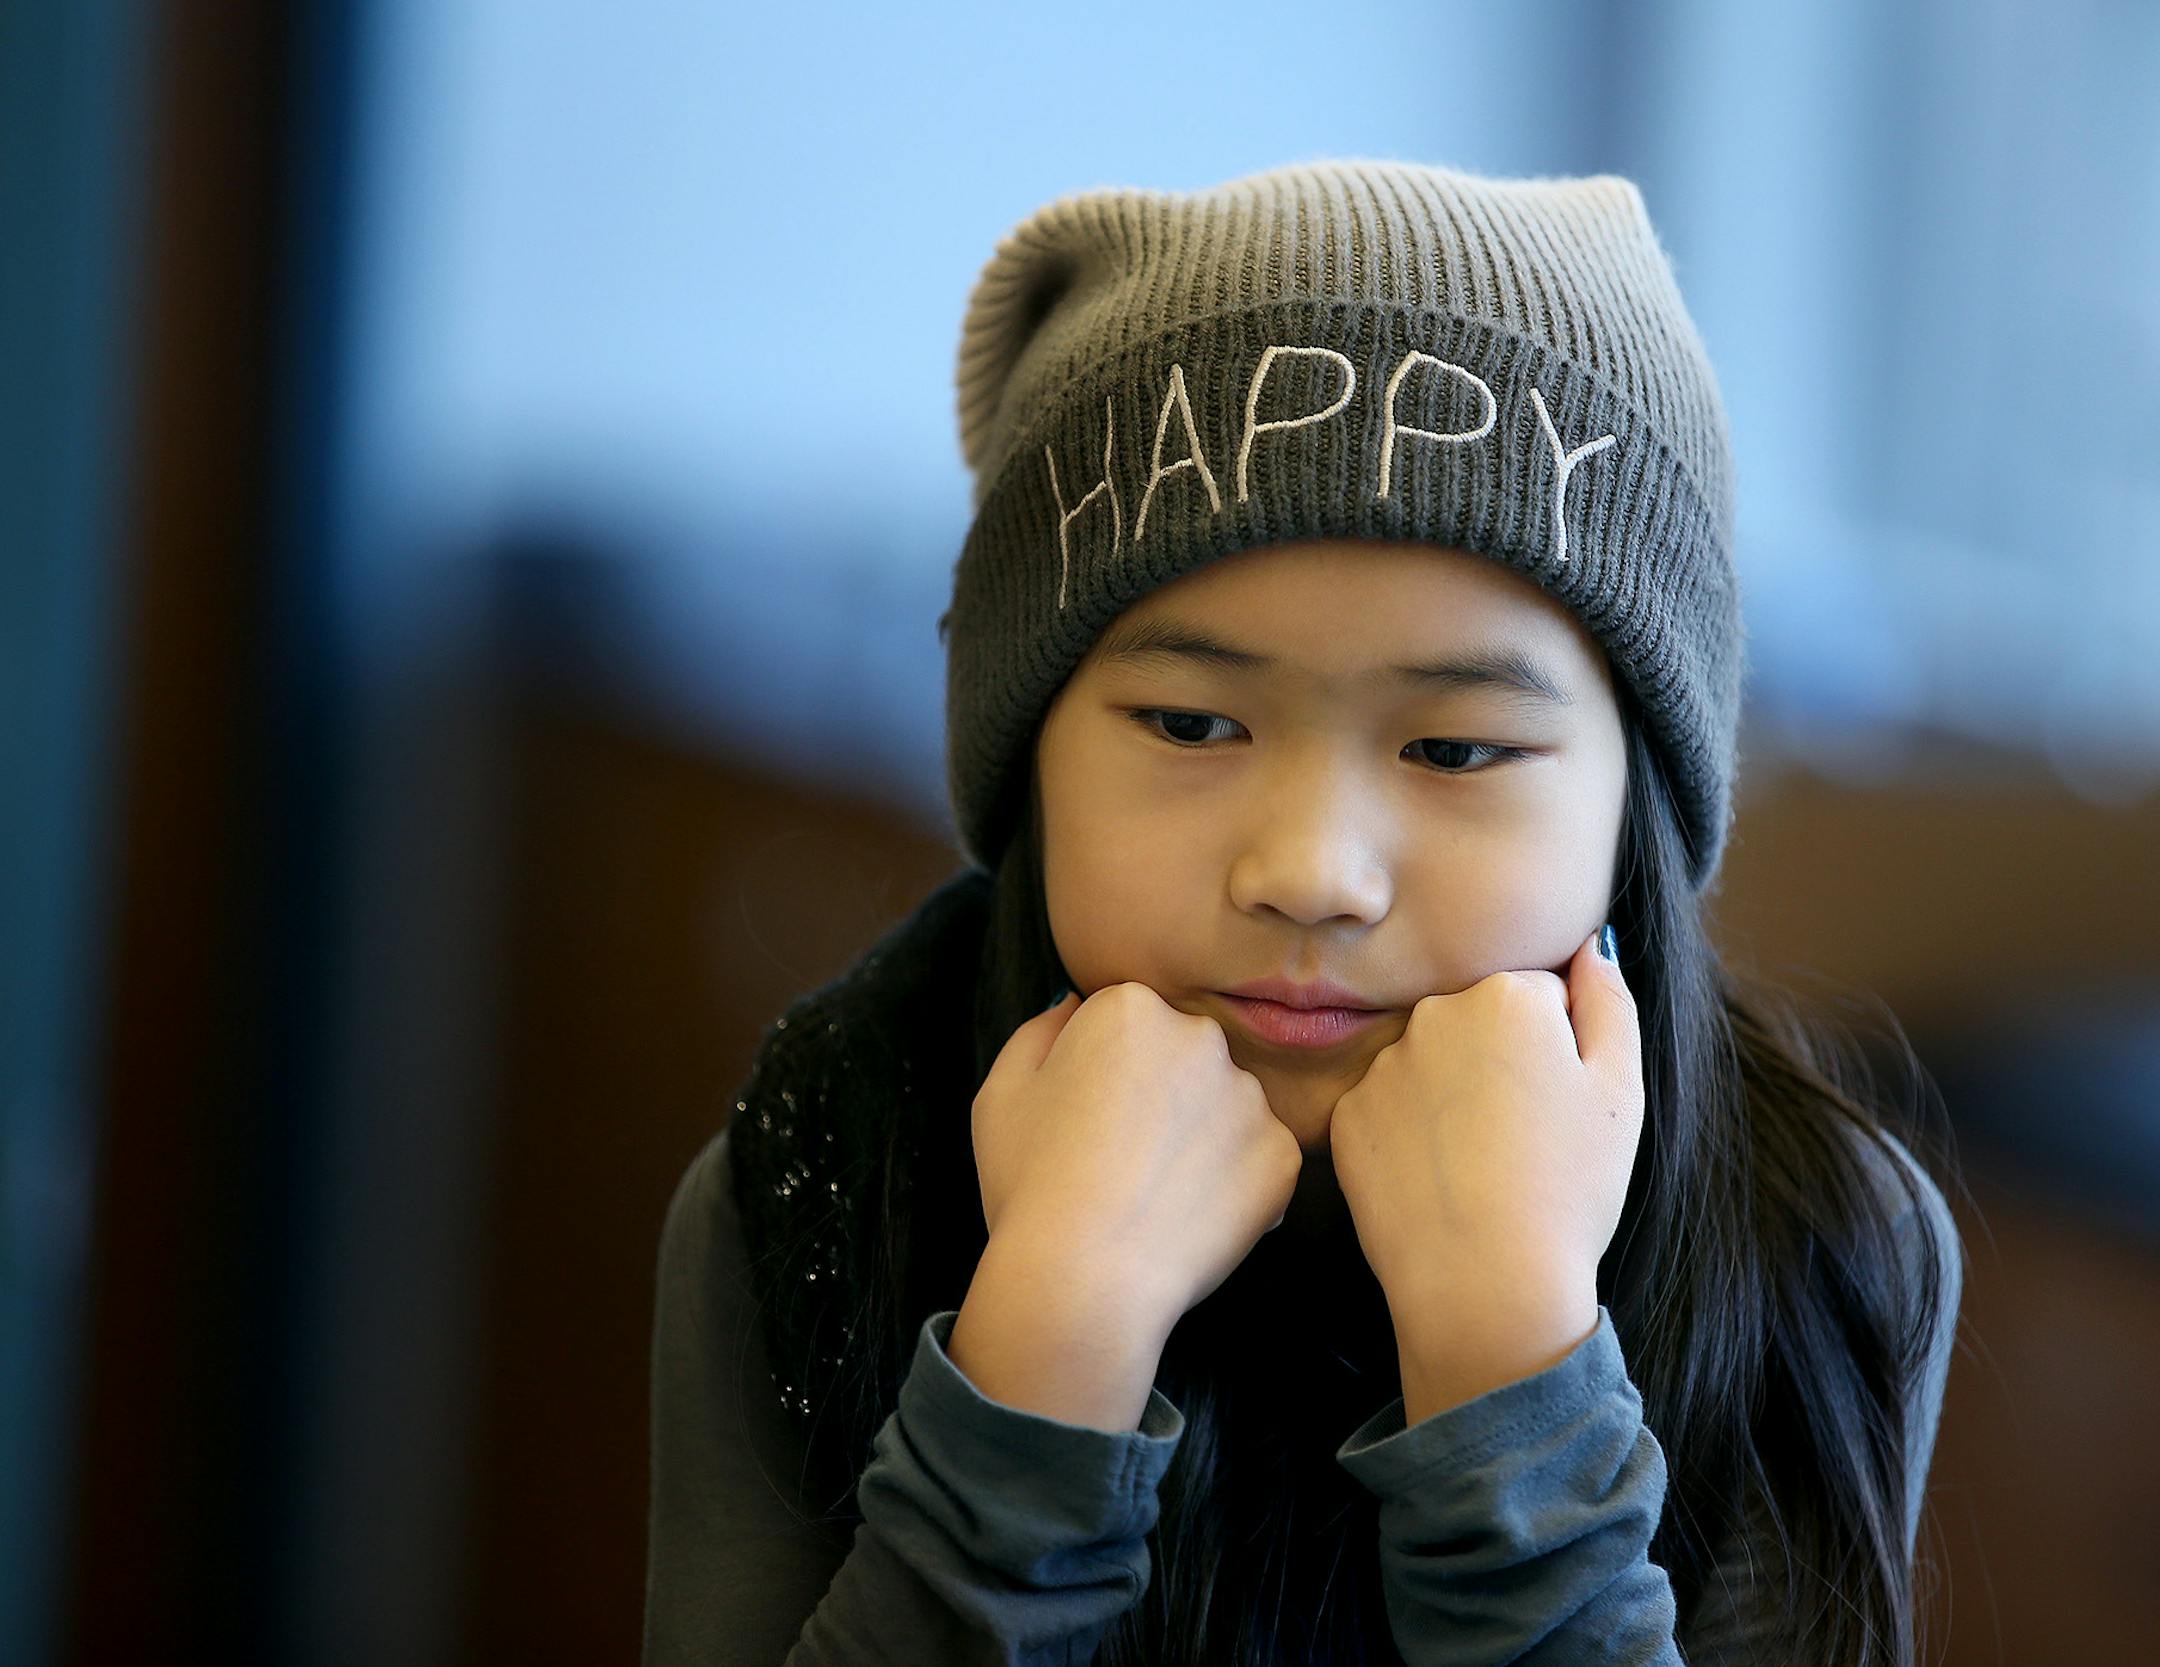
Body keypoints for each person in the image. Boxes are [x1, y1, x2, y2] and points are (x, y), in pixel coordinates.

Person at [642, 158, 1967, 1666]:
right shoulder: (822, 1172)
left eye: (1455, 749)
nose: (1313, 873)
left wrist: (1512, 1374)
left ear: (1634, 807)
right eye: (1190, 725)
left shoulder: (1813, 1240)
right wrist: (1048, 1354)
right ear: (1028, 761)